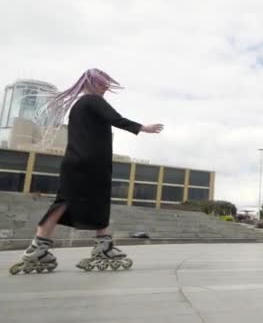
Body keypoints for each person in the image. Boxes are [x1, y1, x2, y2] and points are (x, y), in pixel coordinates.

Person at [9, 68, 163, 275]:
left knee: (65, 201)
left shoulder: (79, 106)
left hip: (75, 161)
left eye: (106, 85)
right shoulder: (93, 101)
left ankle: (40, 247)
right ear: (90, 83)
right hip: (91, 163)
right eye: (102, 84)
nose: (105, 88)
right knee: (93, 200)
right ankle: (103, 247)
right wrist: (143, 127)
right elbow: (116, 119)